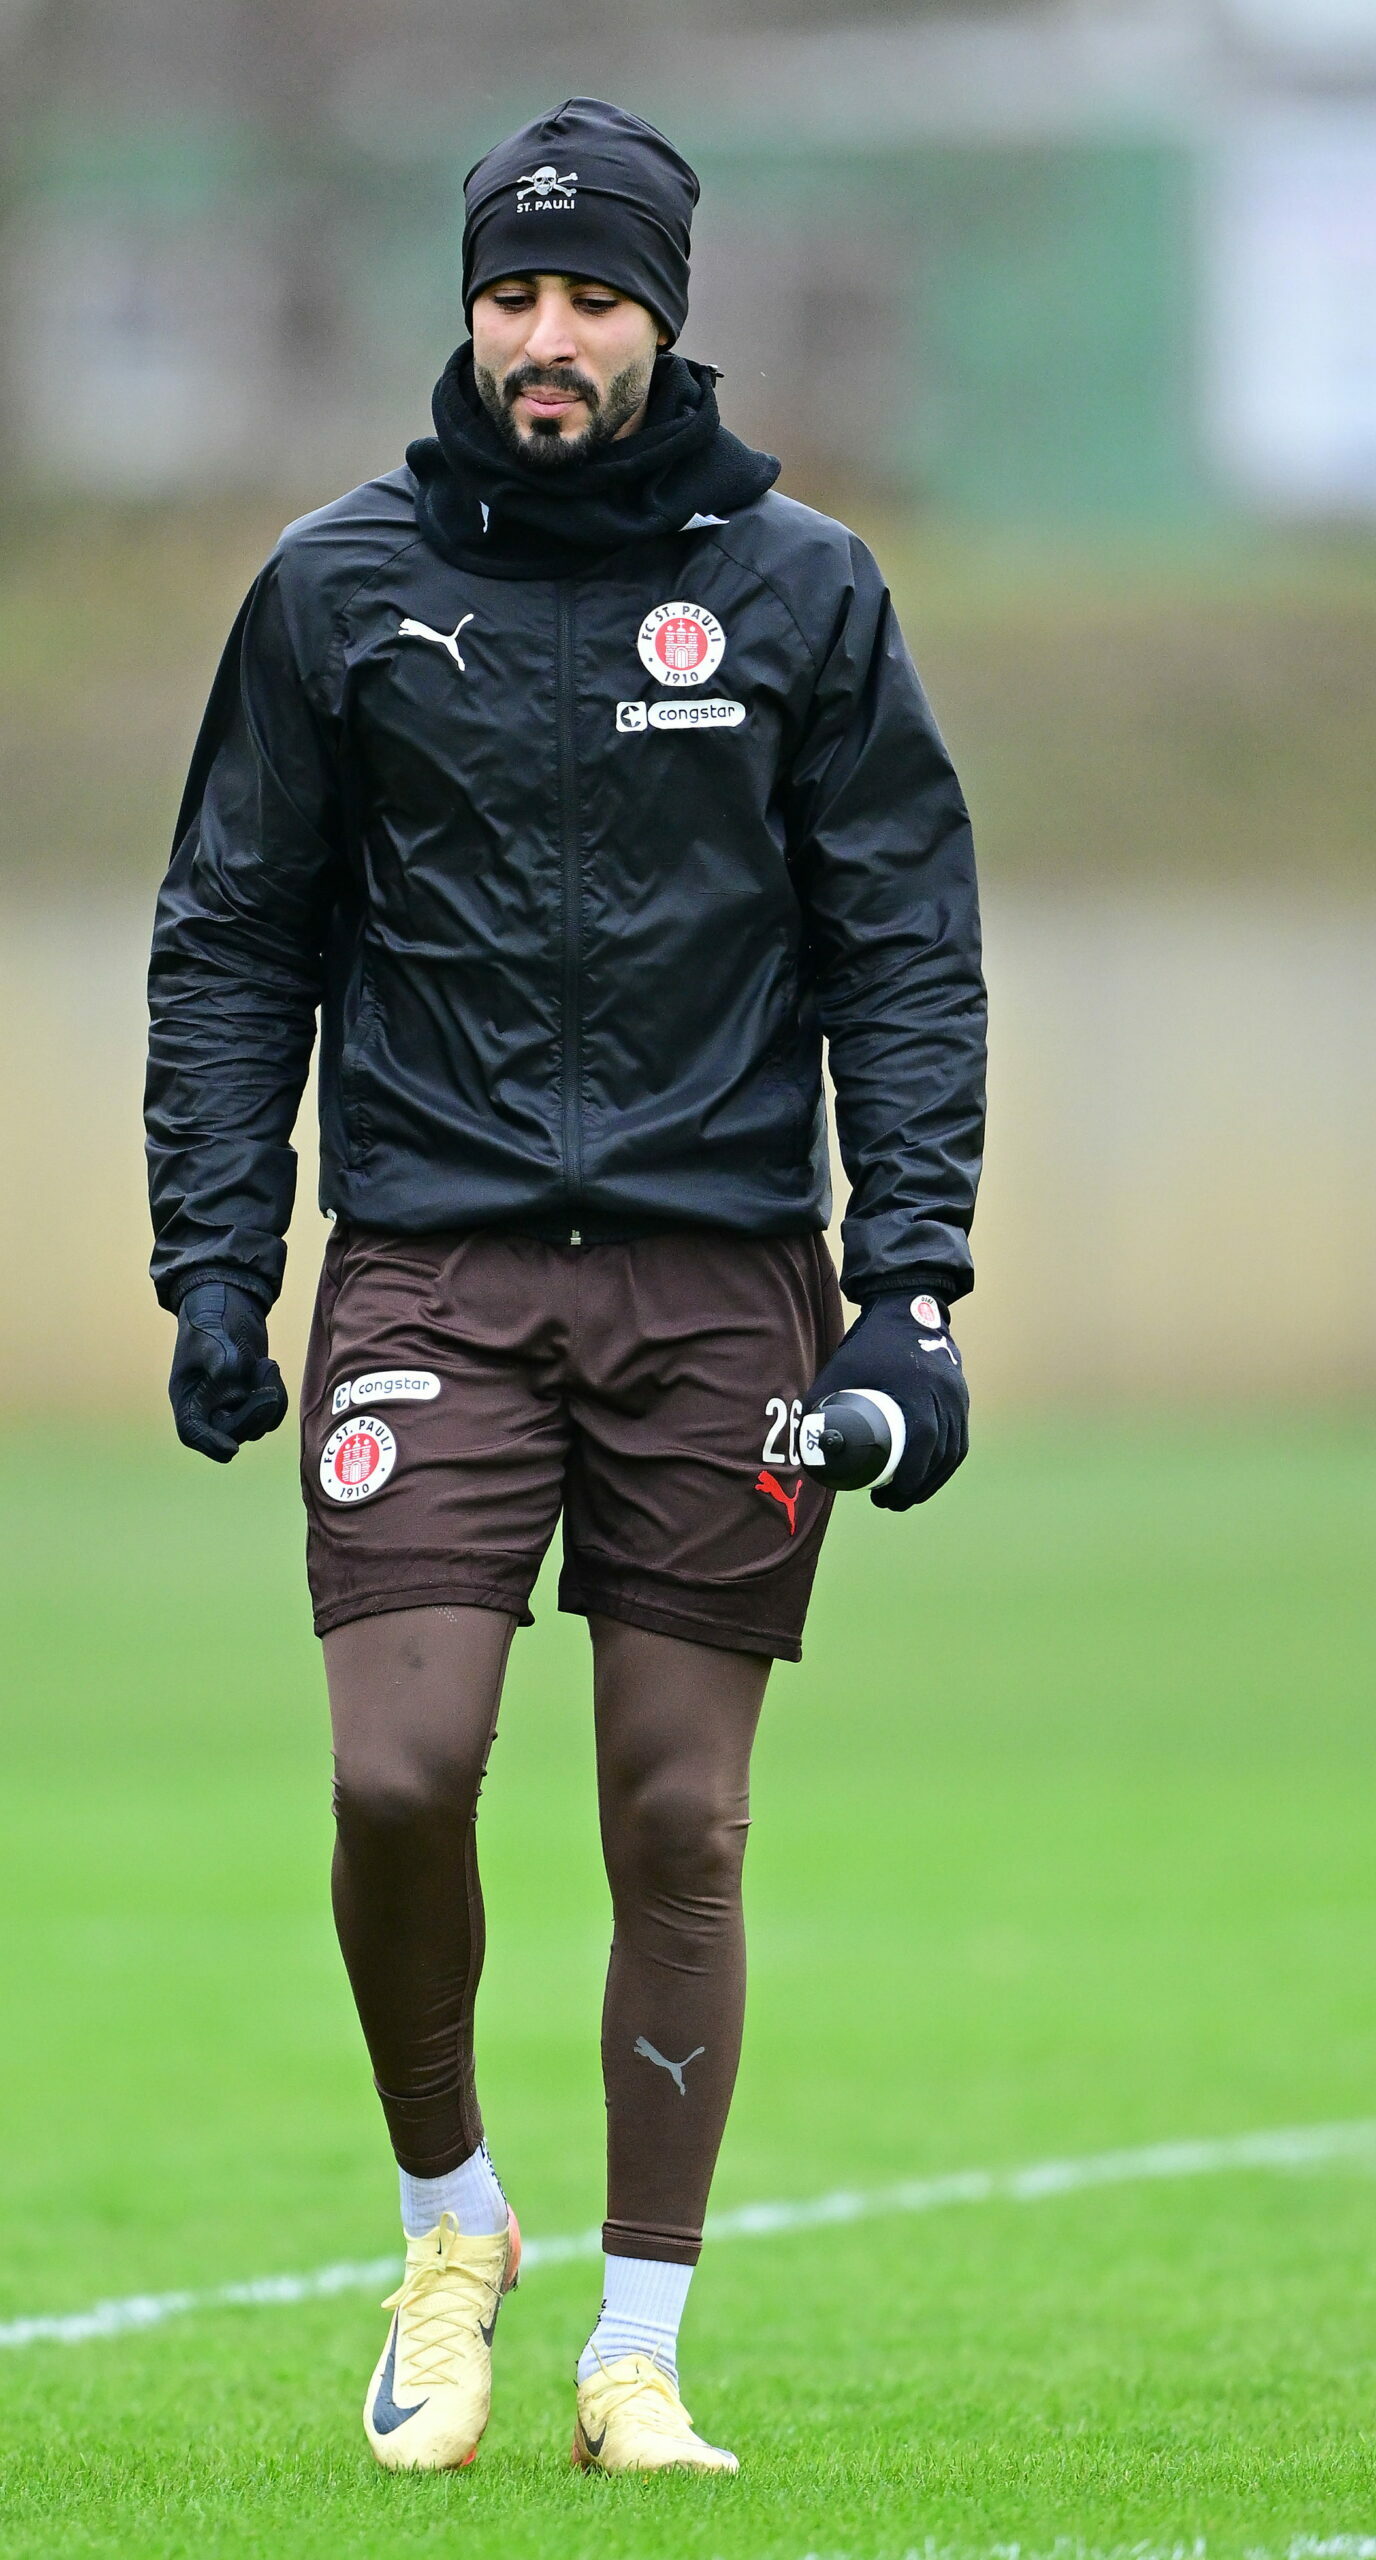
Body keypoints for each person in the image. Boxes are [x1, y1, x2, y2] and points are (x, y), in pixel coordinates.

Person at [145, 96, 985, 2479]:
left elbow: (903, 942)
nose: (545, 336)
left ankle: (637, 2341)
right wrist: (218, 1258)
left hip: (724, 1281)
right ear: (467, 306)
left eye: (591, 297)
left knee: (675, 1821)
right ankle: (447, 2219)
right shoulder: (334, 587)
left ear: (662, 317)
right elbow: (229, 938)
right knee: (401, 1766)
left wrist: (909, 1284)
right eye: (513, 292)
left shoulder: (805, 593)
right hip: (430, 1256)